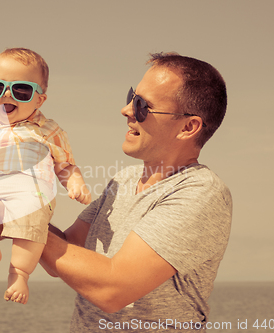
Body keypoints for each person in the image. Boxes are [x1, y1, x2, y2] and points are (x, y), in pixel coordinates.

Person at [40, 52, 232, 332]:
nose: (126, 109)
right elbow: (67, 253)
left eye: (143, 105)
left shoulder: (201, 194)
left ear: (188, 127)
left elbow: (113, 289)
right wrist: (9, 204)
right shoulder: (123, 181)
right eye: (132, 96)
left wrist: (18, 224)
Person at [0, 48, 91, 305]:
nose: (6, 95)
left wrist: (75, 183)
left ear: (39, 100)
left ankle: (19, 273)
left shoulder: (48, 130)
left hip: (28, 193)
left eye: (21, 90)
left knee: (31, 221)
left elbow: (65, 165)